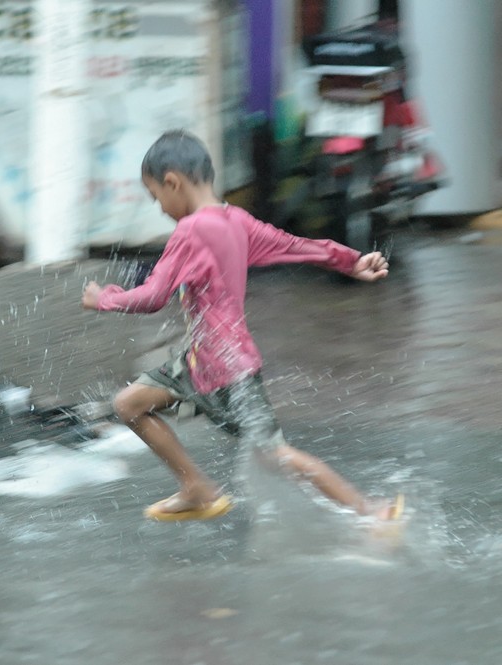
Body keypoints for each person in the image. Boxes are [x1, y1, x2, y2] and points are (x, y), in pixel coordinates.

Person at [81, 130, 402, 523]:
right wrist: (349, 260)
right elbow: (294, 245)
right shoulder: (237, 220)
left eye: (156, 197)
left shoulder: (190, 229)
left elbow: (153, 296)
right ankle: (196, 488)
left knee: (274, 456)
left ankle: (371, 511)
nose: (161, 208)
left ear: (173, 182)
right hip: (200, 361)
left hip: (228, 370)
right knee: (129, 404)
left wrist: (106, 299)